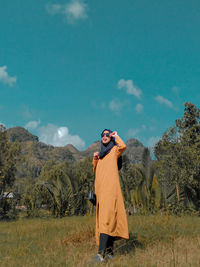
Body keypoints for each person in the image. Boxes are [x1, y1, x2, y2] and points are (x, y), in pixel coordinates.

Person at [92, 129, 129, 262]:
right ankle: (110, 253)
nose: (105, 136)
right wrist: (95, 159)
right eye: (103, 135)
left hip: (110, 191)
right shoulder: (101, 156)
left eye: (108, 134)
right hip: (101, 193)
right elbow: (96, 171)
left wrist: (116, 136)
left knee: (105, 220)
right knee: (107, 220)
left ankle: (100, 255)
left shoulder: (114, 151)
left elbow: (123, 146)